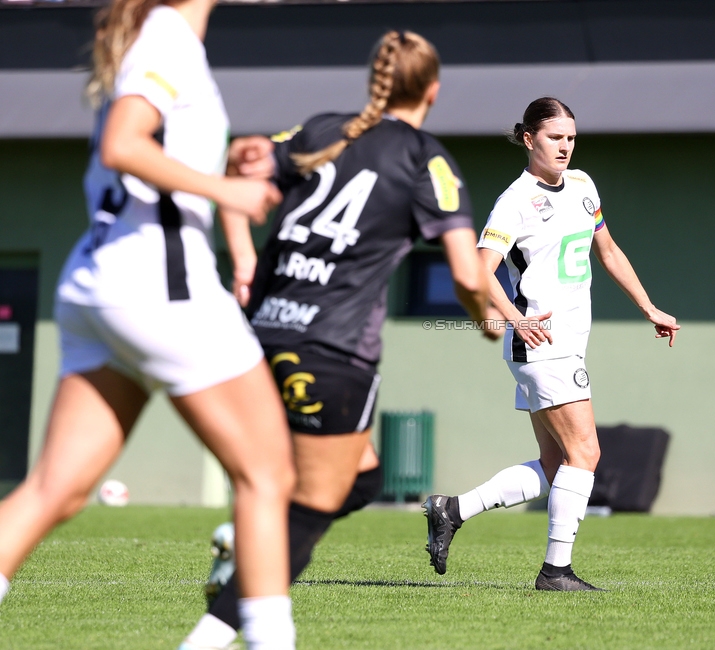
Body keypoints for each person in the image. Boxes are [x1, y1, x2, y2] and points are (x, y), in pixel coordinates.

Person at [183, 30, 495, 648]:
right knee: (310, 510)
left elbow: (234, 167)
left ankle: (243, 545)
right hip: (331, 348)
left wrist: (244, 259)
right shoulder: (426, 158)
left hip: (257, 336)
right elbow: (466, 272)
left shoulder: (320, 128)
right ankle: (212, 633)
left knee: (363, 479)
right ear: (433, 90)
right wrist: (485, 317)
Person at [0, 0, 298, 648]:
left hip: (100, 285)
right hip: (159, 289)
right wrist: (229, 193)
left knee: (55, 490)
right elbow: (124, 144)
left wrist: (222, 162)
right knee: (269, 476)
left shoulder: (157, 38)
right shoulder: (167, 37)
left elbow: (148, 157)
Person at [423, 97, 680, 591]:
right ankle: (555, 571)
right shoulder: (515, 200)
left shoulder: (583, 185)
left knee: (555, 464)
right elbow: (481, 269)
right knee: (586, 453)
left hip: (565, 342)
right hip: (541, 342)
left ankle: (451, 510)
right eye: (555, 137)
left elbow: (607, 250)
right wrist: (516, 319)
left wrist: (648, 307)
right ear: (529, 139)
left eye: (571, 138)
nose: (565, 147)